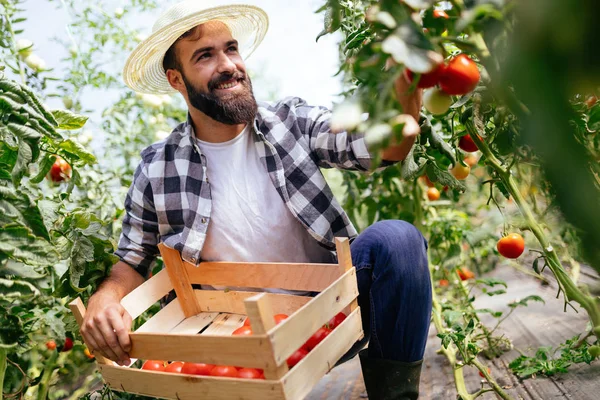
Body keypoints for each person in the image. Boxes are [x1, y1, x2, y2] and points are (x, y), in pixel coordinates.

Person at [81, 1, 432, 399]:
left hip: (327, 317)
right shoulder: (158, 167)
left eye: (231, 48)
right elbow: (132, 260)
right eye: (205, 56)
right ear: (177, 80)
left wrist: (408, 71)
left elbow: (388, 145)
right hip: (235, 348)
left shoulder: (290, 123)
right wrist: (104, 300)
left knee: (397, 242)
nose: (228, 64)